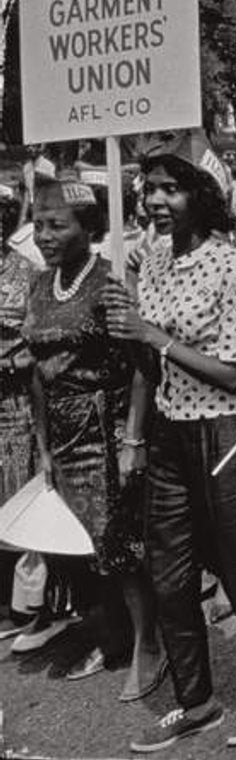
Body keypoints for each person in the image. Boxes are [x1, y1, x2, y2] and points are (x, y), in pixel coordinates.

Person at [102, 130, 236, 752]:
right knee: (169, 576)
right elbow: (150, 367)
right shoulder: (152, 260)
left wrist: (151, 335)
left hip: (226, 432)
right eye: (150, 188)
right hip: (169, 433)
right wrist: (128, 333)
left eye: (171, 189)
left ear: (202, 196)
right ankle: (196, 700)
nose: (156, 200)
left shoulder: (235, 269)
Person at [23, 174, 164, 699]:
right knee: (80, 547)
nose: (44, 234)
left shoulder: (110, 282)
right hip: (59, 432)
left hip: (106, 431)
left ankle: (150, 647)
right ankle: (113, 637)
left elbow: (142, 368)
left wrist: (132, 440)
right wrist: (42, 447)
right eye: (39, 224)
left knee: (119, 547)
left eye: (57, 224)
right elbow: (39, 371)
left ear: (90, 228)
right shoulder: (41, 284)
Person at [0, 163, 41, 641]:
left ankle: (28, 606)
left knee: (20, 497)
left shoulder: (25, 274)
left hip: (16, 405)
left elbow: (36, 342)